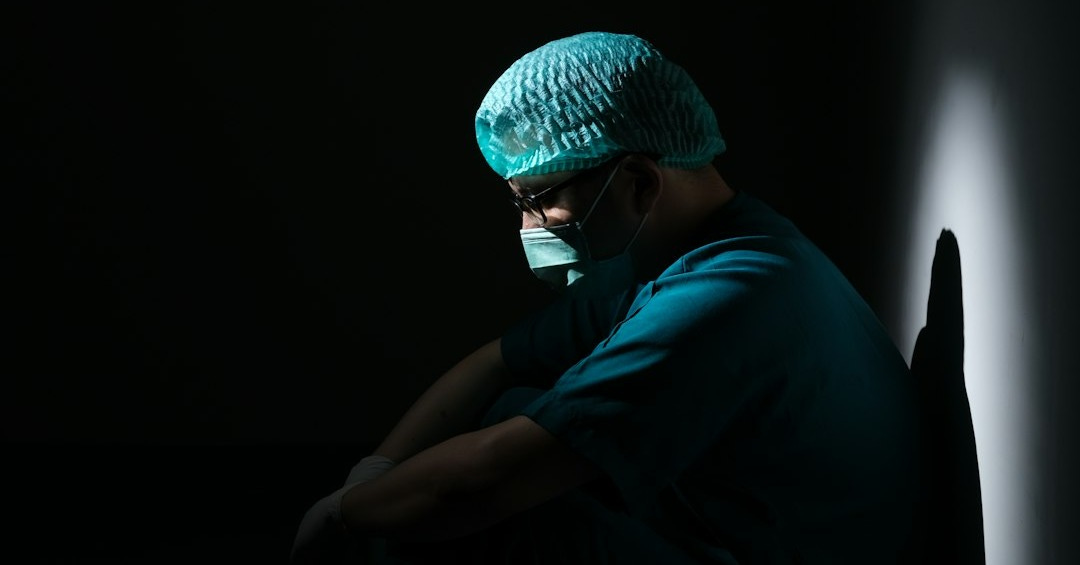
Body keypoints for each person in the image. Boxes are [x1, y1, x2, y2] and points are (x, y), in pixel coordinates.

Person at [291, 31, 922, 564]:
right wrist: (373, 472)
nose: (528, 227)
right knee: (513, 405)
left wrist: (346, 514)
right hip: (732, 518)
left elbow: (482, 482)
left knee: (498, 507)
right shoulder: (710, 246)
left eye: (539, 200)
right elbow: (497, 360)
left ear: (639, 182)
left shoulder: (725, 298)